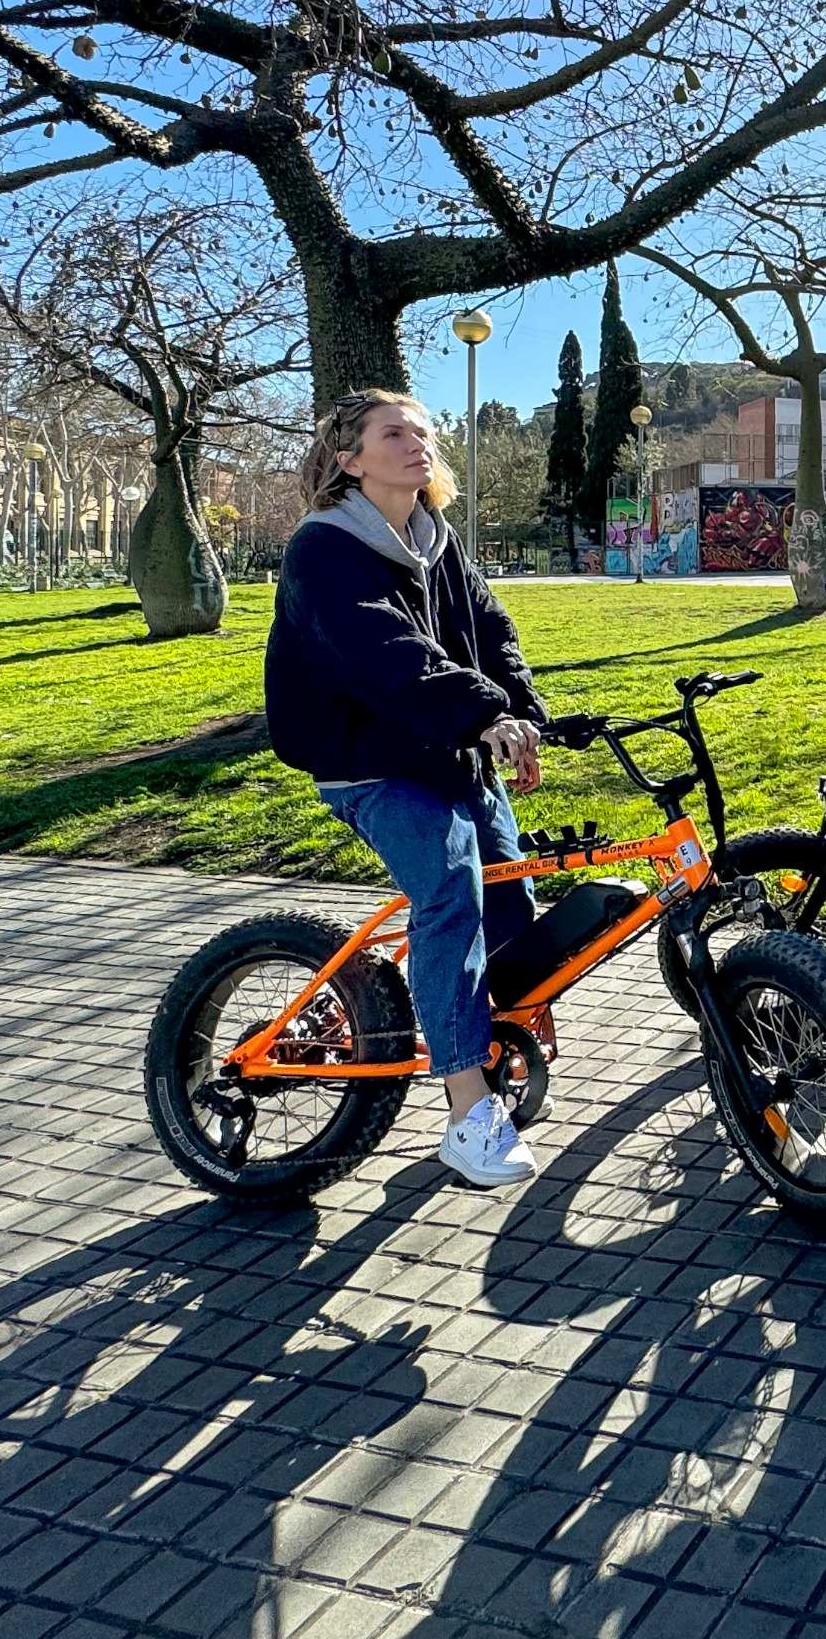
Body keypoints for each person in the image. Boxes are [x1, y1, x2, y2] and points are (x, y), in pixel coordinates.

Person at [264, 391, 556, 1191]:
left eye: (424, 432)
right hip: (369, 759)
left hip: (444, 748)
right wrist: (480, 711)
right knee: (451, 888)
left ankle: (500, 1048)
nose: (417, 443)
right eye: (395, 432)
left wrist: (523, 714)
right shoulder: (325, 547)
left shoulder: (435, 539)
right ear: (350, 457)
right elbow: (382, 651)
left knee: (509, 895)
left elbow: (492, 632)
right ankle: (468, 1112)